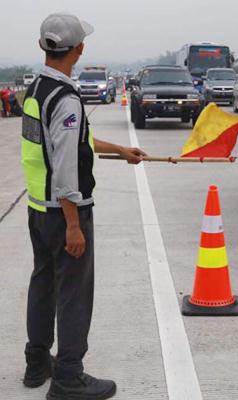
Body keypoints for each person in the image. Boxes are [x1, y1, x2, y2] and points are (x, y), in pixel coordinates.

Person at [21, 13, 146, 400]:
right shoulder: (66, 97)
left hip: (38, 210)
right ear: (78, 49)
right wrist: (74, 224)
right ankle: (68, 377)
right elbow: (64, 166)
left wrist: (120, 150)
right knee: (74, 292)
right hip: (64, 214)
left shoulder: (36, 89)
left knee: (43, 283)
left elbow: (68, 144)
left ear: (44, 46)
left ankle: (37, 363)